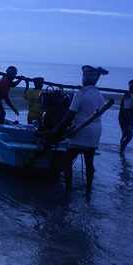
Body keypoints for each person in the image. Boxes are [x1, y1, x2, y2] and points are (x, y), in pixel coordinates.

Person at [51, 65, 108, 193]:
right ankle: (88, 189)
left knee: (67, 160)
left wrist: (56, 130)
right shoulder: (100, 95)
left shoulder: (80, 93)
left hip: (81, 131)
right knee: (89, 161)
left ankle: (68, 189)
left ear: (85, 78)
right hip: (95, 132)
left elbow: (69, 115)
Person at [119, 79, 133, 154]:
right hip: (124, 118)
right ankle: (122, 149)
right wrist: (131, 122)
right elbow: (126, 111)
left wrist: (132, 120)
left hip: (129, 117)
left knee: (125, 134)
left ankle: (121, 148)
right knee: (129, 136)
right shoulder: (128, 95)